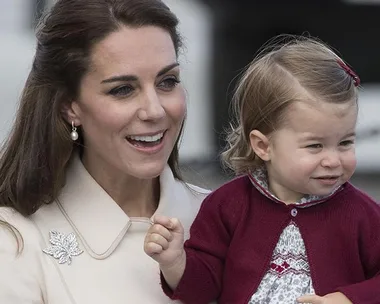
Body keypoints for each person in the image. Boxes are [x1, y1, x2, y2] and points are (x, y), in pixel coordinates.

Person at [0, 0, 210, 303]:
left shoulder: (234, 218)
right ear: (69, 107)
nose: (155, 110)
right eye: (122, 89)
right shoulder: (15, 242)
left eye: (167, 82)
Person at [144, 35, 380, 304]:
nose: (333, 160)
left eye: (345, 142)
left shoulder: (362, 213)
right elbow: (204, 289)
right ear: (263, 146)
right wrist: (175, 261)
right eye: (315, 146)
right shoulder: (228, 206)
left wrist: (348, 298)